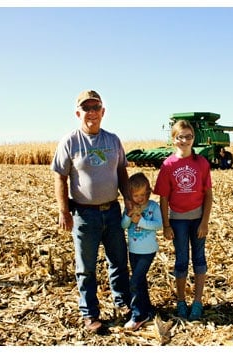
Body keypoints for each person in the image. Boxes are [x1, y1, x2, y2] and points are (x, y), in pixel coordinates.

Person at [51, 89, 131, 333]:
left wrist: (129, 201)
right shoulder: (70, 141)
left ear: (103, 112)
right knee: (85, 268)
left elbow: (122, 173)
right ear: (78, 113)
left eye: (96, 107)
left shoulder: (113, 140)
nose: (92, 113)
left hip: (112, 211)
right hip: (84, 215)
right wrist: (64, 211)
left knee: (118, 261)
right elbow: (59, 177)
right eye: (86, 108)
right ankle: (90, 314)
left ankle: (124, 303)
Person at [154, 120, 213, 321]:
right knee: (180, 261)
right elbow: (163, 198)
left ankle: (197, 302)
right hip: (177, 221)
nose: (185, 140)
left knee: (199, 260)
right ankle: (181, 301)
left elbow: (208, 195)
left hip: (197, 220)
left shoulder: (202, 163)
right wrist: (166, 225)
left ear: (193, 139)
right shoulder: (168, 165)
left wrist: (205, 222)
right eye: (181, 137)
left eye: (189, 136)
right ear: (174, 139)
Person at [121, 172, 162, 331]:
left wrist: (141, 221)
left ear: (149, 192)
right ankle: (147, 309)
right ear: (130, 195)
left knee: (135, 282)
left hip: (148, 251)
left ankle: (138, 315)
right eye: (136, 195)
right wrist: (129, 216)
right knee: (141, 282)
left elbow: (158, 225)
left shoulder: (153, 207)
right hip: (134, 250)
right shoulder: (130, 206)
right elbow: (123, 225)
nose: (140, 198)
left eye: (144, 194)